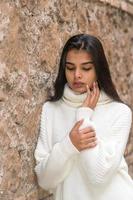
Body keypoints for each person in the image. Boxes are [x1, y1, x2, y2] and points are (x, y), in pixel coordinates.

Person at [34, 34, 133, 200]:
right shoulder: (51, 110)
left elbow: (99, 177)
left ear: (98, 70)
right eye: (70, 68)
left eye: (86, 68)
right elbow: (45, 180)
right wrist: (69, 144)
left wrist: (84, 115)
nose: (77, 75)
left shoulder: (120, 112)